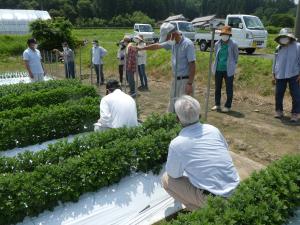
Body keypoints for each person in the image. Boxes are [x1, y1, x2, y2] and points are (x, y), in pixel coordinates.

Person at [162, 95, 240, 211]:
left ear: (177, 119)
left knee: (166, 179)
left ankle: (203, 211)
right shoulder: (213, 129)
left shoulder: (177, 143)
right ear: (199, 115)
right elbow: (225, 149)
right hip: (236, 190)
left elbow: (174, 175)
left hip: (214, 198)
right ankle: (207, 209)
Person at [137, 23, 196, 112]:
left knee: (185, 108)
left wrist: (190, 84)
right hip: (175, 80)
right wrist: (141, 48)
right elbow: (157, 46)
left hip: (185, 81)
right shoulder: (172, 43)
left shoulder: (187, 44)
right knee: (172, 105)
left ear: (172, 34)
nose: (167, 40)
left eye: (167, 38)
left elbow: (192, 64)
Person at [273, 28, 300, 122]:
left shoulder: (298, 46)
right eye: (282, 37)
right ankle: (279, 110)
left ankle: (295, 113)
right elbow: (275, 61)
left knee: (296, 95)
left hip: (294, 74)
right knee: (278, 93)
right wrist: (274, 73)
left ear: (290, 37)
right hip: (280, 74)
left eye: (286, 37)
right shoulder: (278, 47)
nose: (284, 39)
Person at [211, 26, 239, 113]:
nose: (224, 36)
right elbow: (216, 55)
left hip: (228, 70)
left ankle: (227, 106)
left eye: (226, 34)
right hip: (218, 69)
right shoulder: (217, 44)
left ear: (229, 35)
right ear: (221, 34)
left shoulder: (233, 44)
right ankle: (217, 104)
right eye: (223, 34)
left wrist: (233, 65)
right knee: (217, 88)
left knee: (229, 88)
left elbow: (236, 57)